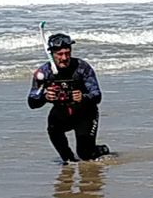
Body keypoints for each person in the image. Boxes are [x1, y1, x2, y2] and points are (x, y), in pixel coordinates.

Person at [28, 33, 111, 162]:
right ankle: (69, 160)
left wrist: (83, 97)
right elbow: (32, 102)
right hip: (62, 112)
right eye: (60, 54)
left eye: (67, 53)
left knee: (85, 155)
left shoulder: (82, 68)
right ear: (51, 54)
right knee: (56, 136)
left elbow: (97, 96)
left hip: (85, 114)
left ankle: (101, 150)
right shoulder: (44, 73)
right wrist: (45, 97)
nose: (64, 58)